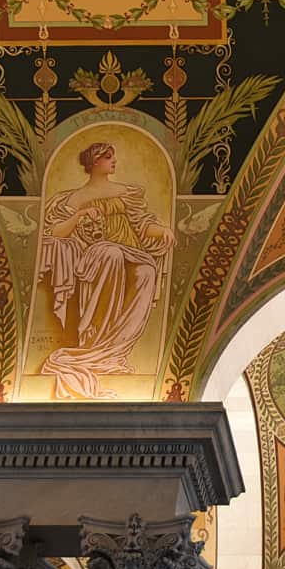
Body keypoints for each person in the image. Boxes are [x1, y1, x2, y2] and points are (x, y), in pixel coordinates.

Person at [37, 141, 173, 399]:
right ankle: (95, 343)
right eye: (108, 157)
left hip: (132, 254)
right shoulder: (75, 198)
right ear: (95, 162)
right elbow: (55, 231)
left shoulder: (125, 193)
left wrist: (162, 231)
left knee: (146, 272)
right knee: (110, 253)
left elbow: (142, 225)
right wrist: (79, 216)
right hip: (98, 253)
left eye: (114, 157)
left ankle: (116, 349)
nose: (114, 161)